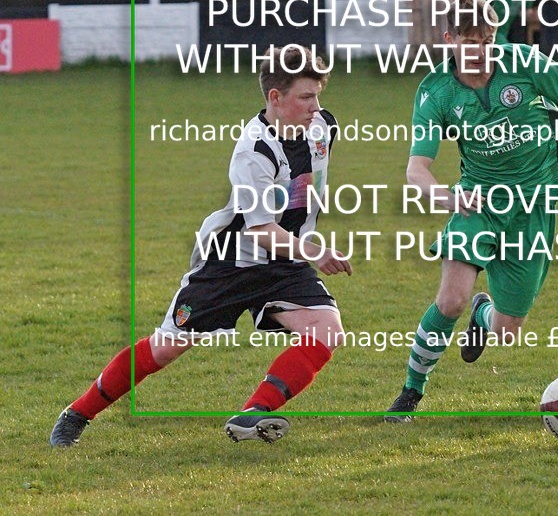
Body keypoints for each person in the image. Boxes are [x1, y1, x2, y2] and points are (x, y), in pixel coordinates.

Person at [50, 45, 352, 447]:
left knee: (327, 330)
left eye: (318, 95)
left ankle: (253, 413)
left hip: (285, 261)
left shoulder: (323, 127)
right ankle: (77, 414)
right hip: (232, 262)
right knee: (166, 349)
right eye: (305, 96)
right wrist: (317, 251)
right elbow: (260, 229)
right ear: (275, 98)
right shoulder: (254, 151)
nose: (316, 106)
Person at [385, 0, 558, 421]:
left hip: (534, 208)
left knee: (506, 334)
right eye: (471, 43)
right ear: (450, 40)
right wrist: (451, 197)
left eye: (487, 41)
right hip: (477, 204)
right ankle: (411, 392)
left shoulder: (524, 63)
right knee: (450, 300)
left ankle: (485, 313)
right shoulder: (436, 92)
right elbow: (416, 170)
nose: (482, 52)